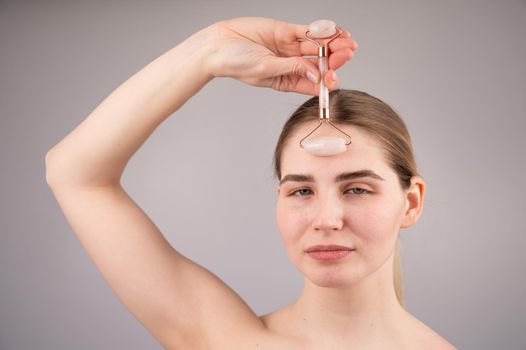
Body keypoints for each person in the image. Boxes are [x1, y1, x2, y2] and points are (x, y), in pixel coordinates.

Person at [45, 17, 457, 349]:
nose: (326, 219)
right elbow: (73, 172)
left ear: (411, 202)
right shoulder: (225, 339)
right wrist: (211, 48)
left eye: (356, 188)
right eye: (302, 190)